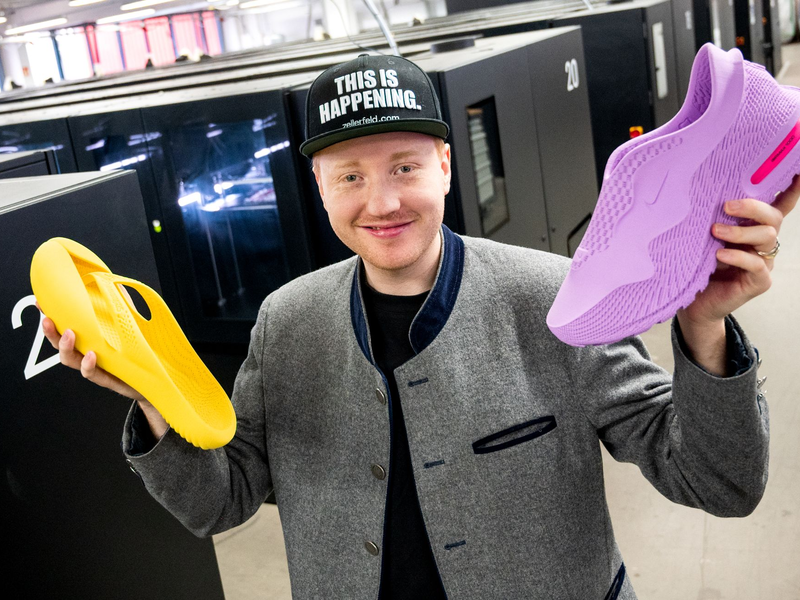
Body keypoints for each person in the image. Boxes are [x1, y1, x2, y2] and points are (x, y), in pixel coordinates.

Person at [40, 54, 797, 599]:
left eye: (404, 166)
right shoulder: (287, 322)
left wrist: (704, 326)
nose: (381, 203)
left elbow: (718, 482)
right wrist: (153, 399)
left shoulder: (552, 298)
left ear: (445, 165)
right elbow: (222, 500)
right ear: (319, 188)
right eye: (350, 177)